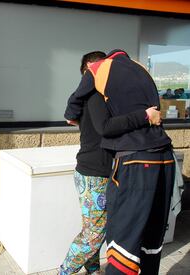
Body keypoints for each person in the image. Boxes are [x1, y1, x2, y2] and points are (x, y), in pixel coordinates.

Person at [65, 49, 174, 275]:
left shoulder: (110, 96)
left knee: (98, 230)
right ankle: (64, 271)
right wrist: (145, 115)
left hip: (108, 170)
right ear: (89, 74)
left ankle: (93, 269)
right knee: (94, 234)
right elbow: (106, 128)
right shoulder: (94, 97)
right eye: (96, 69)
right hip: (94, 172)